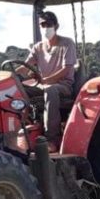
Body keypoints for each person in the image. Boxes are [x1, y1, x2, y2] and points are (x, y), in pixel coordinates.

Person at [18, 11, 76, 151]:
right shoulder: (38, 47)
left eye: (48, 24)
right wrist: (10, 75)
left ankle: (51, 139)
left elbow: (66, 69)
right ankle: (19, 130)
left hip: (63, 86)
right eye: (42, 25)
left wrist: (46, 80)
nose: (45, 27)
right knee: (17, 89)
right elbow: (26, 67)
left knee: (50, 90)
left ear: (56, 26)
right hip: (42, 84)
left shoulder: (67, 43)